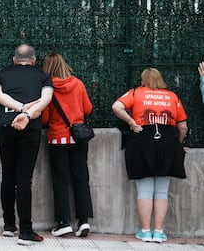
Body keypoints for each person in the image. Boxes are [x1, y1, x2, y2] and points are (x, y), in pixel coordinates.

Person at [112, 68, 188, 243]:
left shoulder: (136, 92)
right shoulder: (172, 96)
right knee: (162, 191)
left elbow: (116, 106)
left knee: (145, 190)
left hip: (142, 141)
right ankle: (159, 232)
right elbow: (183, 127)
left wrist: (131, 122)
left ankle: (145, 231)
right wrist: (179, 143)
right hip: (168, 141)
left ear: (143, 80)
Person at [0, 44, 53, 245]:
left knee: (7, 174)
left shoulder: (2, 73)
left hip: (6, 122)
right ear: (33, 60)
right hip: (30, 124)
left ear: (14, 59)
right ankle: (26, 231)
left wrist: (17, 108)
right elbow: (47, 98)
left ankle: (9, 225)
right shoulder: (42, 75)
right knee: (24, 177)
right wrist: (26, 112)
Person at [41, 53, 94, 238]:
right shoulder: (78, 84)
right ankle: (84, 221)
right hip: (78, 138)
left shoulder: (48, 88)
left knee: (60, 181)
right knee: (81, 179)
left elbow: (45, 118)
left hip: (58, 138)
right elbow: (88, 109)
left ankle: (63, 222)